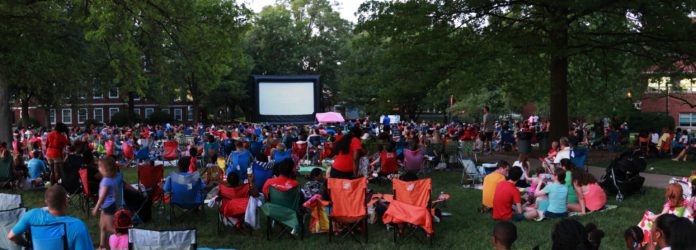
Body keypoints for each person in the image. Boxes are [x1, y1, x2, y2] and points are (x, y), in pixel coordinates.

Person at [7, 185, 94, 249]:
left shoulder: (32, 215)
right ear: (66, 203)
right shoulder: (77, 226)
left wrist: (29, 244)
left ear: (46, 202)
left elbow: (11, 236)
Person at [93, 157, 122, 249]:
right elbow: (116, 193)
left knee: (109, 227)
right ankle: (102, 246)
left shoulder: (106, 181)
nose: (98, 169)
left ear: (105, 169)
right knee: (102, 226)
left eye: (99, 167)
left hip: (108, 207)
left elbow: (102, 197)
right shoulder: (109, 179)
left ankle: (125, 238)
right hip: (107, 205)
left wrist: (96, 208)